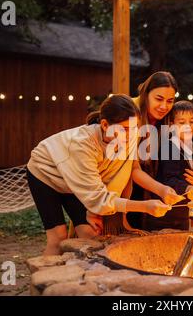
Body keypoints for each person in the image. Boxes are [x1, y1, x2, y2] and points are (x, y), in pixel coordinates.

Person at [26, 94, 175, 255]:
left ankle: (84, 275)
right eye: (125, 129)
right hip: (45, 174)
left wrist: (94, 210)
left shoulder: (128, 137)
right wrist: (144, 207)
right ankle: (46, 279)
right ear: (105, 125)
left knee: (90, 234)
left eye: (135, 128)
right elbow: (97, 197)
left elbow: (115, 175)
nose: (131, 135)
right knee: (58, 238)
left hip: (76, 182)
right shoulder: (82, 145)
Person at [143, 100, 193, 231]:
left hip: (183, 215)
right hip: (165, 216)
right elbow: (170, 179)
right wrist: (188, 188)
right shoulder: (169, 147)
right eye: (182, 122)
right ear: (171, 126)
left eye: (192, 122)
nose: (188, 126)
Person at [127, 71, 182, 229]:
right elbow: (130, 168)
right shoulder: (129, 115)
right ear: (146, 94)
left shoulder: (166, 123)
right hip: (120, 189)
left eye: (170, 101)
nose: (164, 106)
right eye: (159, 99)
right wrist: (161, 189)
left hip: (144, 191)